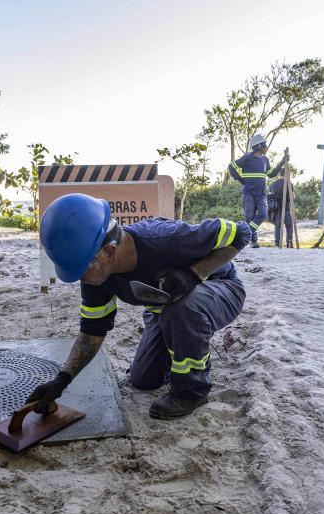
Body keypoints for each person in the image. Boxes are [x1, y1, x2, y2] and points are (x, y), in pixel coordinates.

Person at [28, 193, 251, 419]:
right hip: (166, 306)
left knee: (183, 309)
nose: (80, 279)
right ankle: (178, 348)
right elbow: (91, 333)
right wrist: (62, 379)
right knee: (143, 379)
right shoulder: (98, 277)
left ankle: (192, 390)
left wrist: (195, 273)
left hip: (221, 288)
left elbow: (242, 233)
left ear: (110, 252)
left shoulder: (166, 239)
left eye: (81, 270)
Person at [227, 134, 287, 248]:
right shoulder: (247, 158)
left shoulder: (265, 160)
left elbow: (272, 174)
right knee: (249, 217)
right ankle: (253, 241)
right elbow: (231, 167)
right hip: (248, 193)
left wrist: (282, 162)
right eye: (265, 145)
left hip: (261, 194)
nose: (267, 147)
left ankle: (244, 234)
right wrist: (240, 179)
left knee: (263, 214)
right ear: (259, 146)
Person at [267, 177, 293, 248]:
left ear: (279, 174)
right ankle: (289, 243)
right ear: (286, 174)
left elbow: (270, 198)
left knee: (277, 226)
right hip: (286, 209)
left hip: (276, 209)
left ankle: (277, 244)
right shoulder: (289, 184)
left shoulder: (272, 184)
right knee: (289, 227)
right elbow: (292, 198)